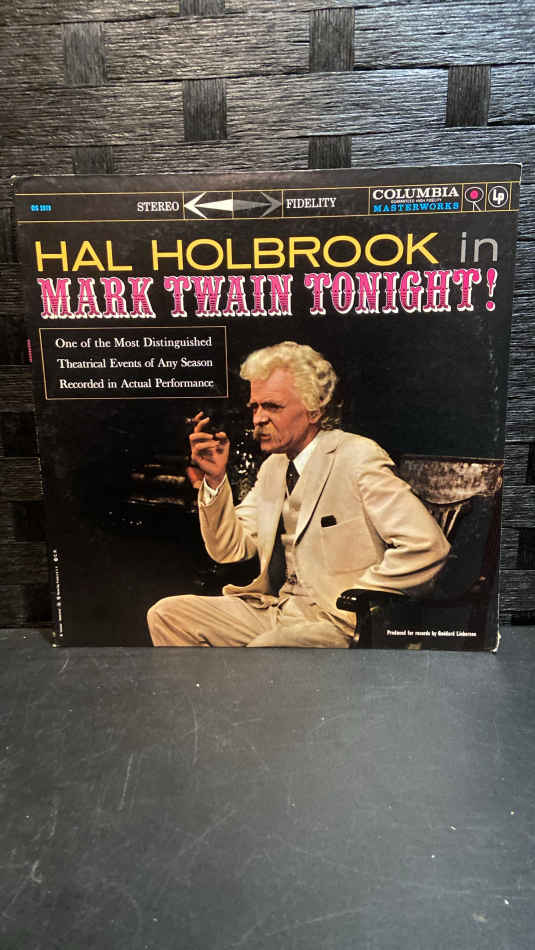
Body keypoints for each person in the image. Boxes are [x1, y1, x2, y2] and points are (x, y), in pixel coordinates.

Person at [147, 341, 450, 647]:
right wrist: (215, 479)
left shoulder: (357, 457)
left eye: (272, 406)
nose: (258, 418)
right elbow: (229, 549)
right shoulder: (273, 467)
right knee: (168, 615)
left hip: (338, 623)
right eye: (255, 407)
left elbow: (427, 546)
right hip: (279, 610)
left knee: (266, 649)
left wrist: (361, 598)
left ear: (314, 409)